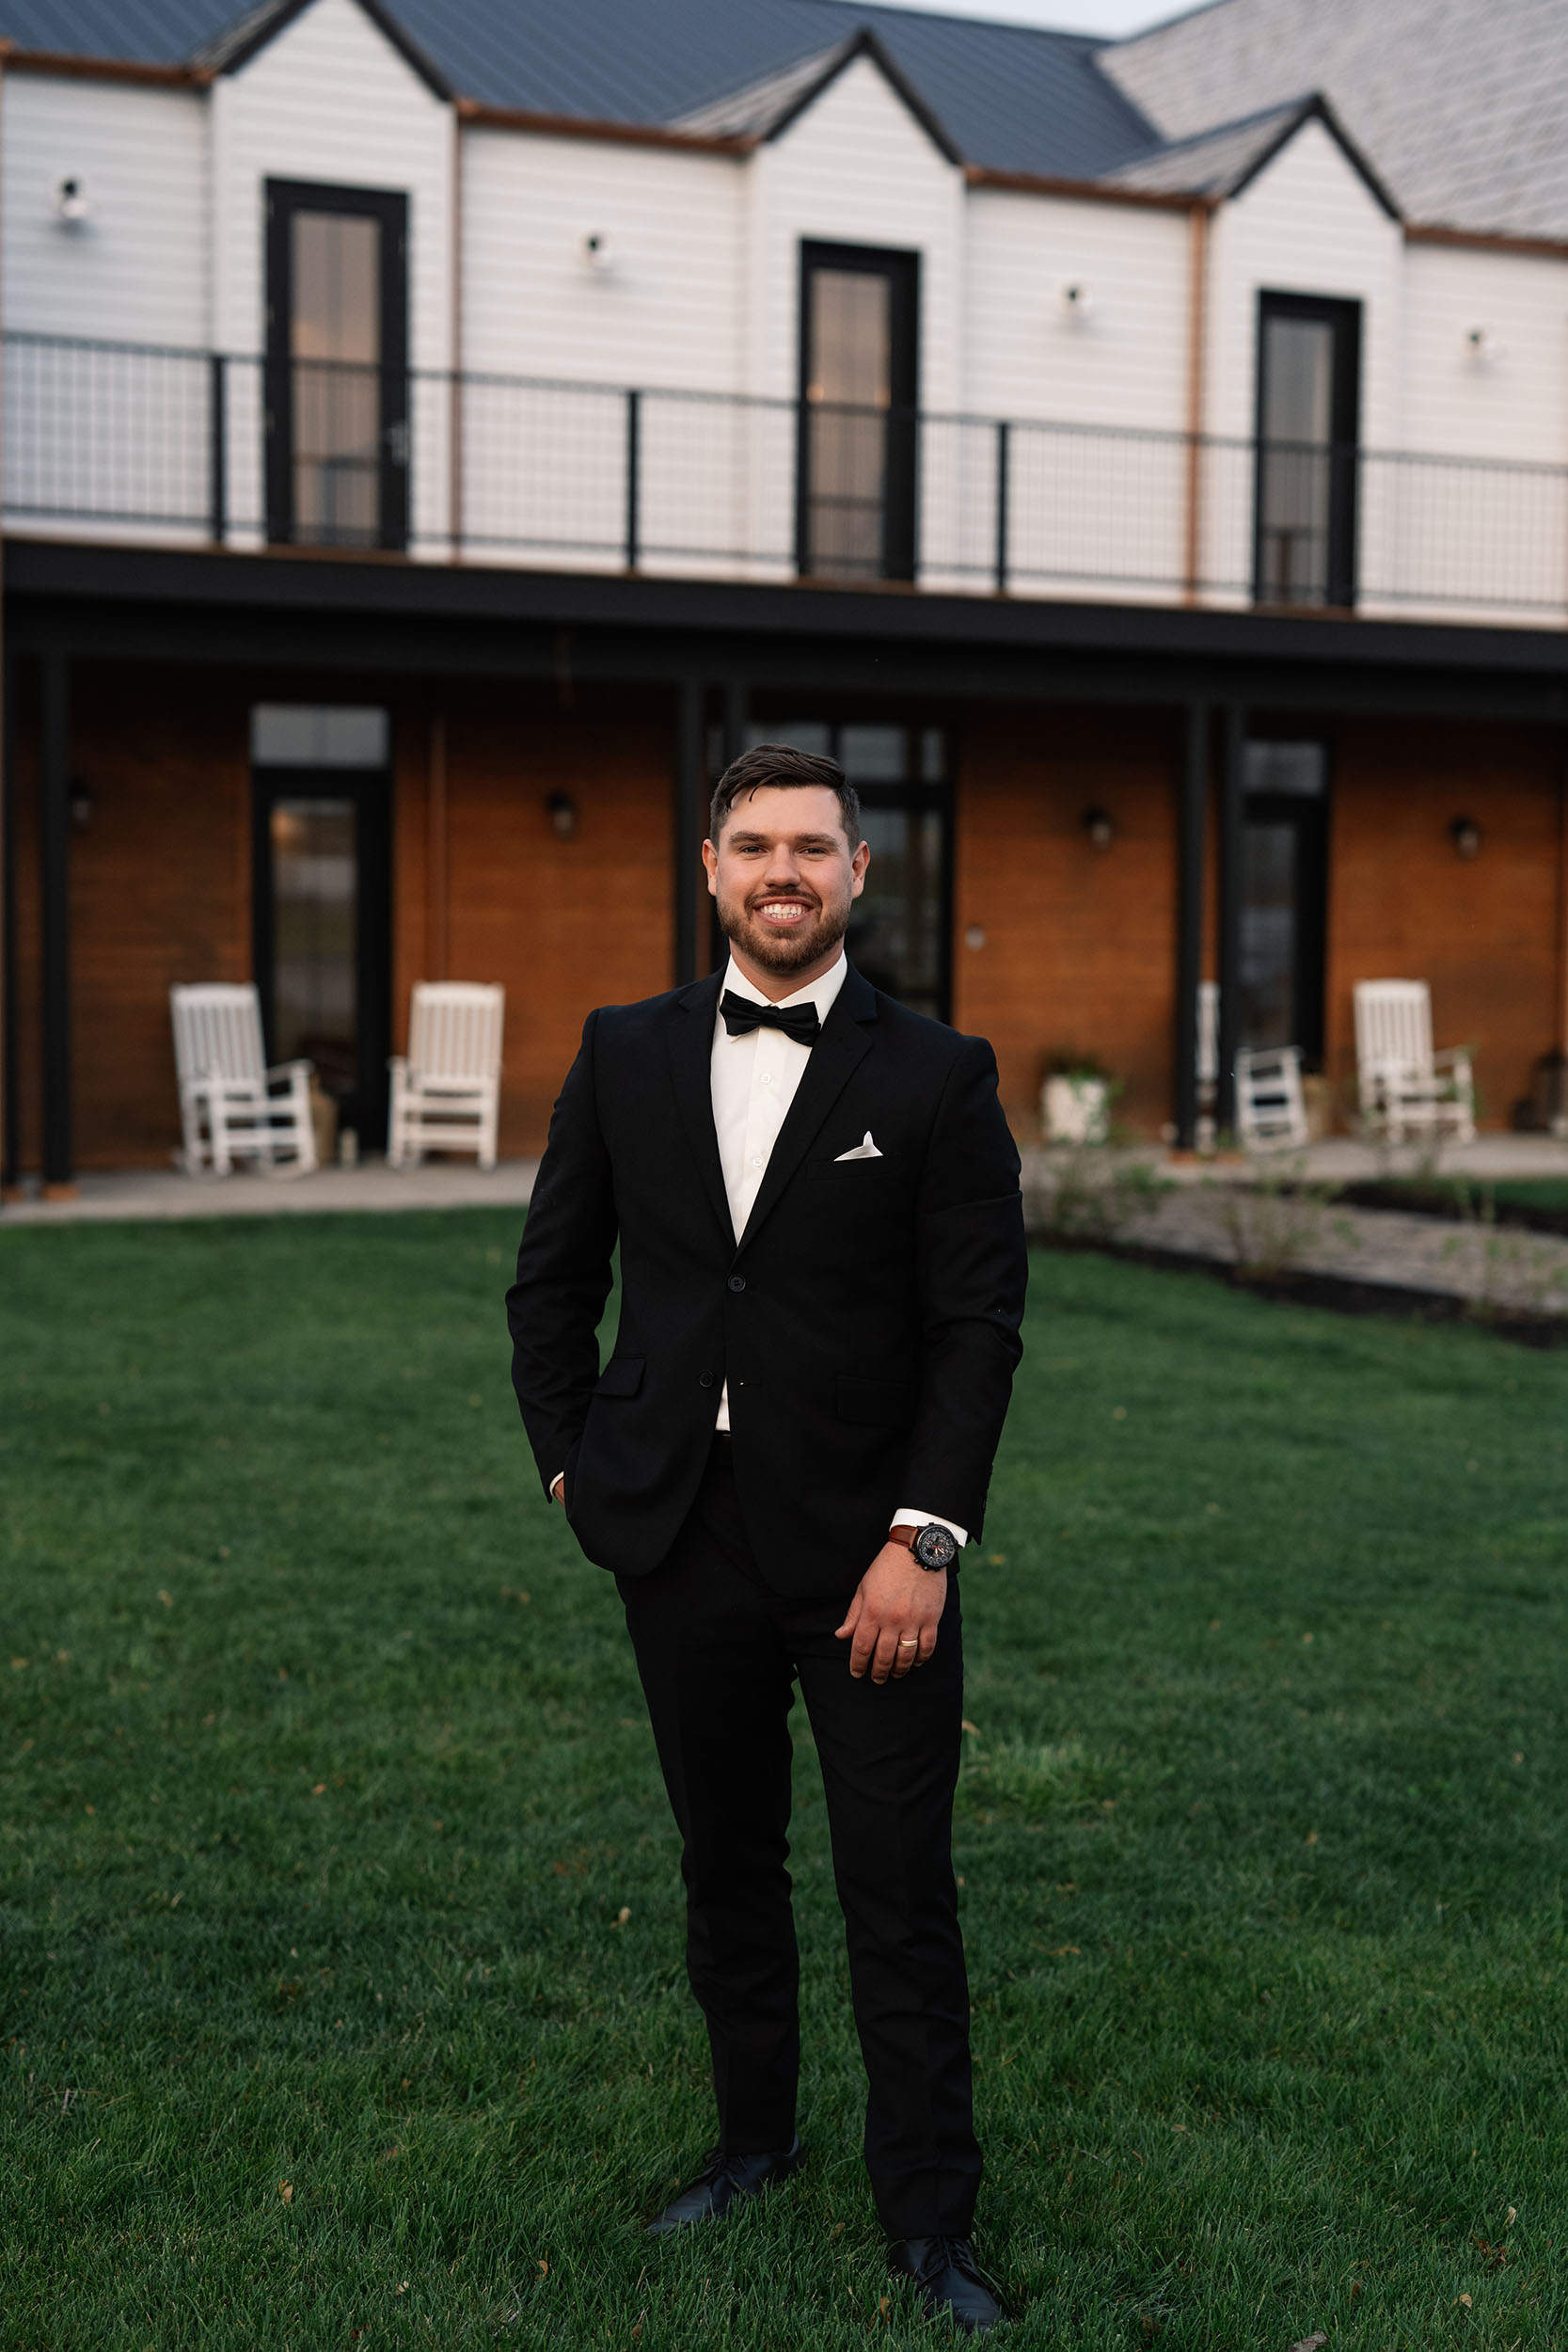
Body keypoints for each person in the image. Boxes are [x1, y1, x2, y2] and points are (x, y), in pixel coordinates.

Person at [507, 742, 1027, 2336]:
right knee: (725, 1865)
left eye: (813, 845)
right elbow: (551, 1283)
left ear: (860, 873)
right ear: (712, 870)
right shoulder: (622, 1051)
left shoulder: (938, 1074)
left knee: (896, 1885)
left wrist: (922, 1539)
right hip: (676, 1535)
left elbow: (977, 1326)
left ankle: (929, 2222)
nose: (782, 870)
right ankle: (750, 2142)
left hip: (869, 1559)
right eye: (754, 845)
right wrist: (573, 1470)